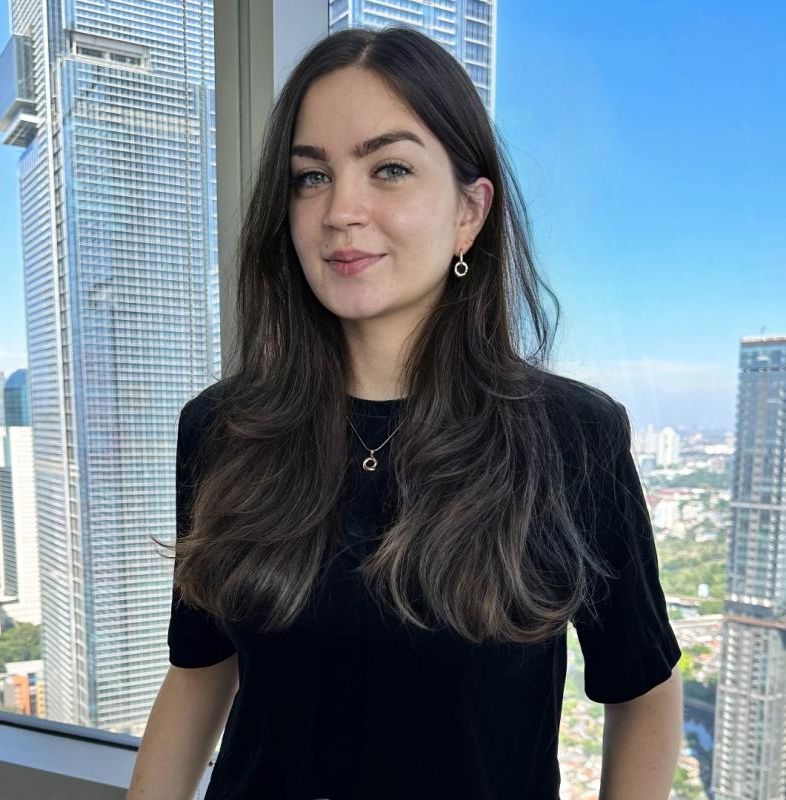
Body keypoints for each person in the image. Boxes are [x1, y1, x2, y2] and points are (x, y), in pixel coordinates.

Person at [128, 25, 683, 800]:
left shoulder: (570, 439)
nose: (341, 211)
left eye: (388, 169)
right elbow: (196, 676)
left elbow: (644, 692)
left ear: (469, 211)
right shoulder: (223, 430)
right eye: (309, 177)